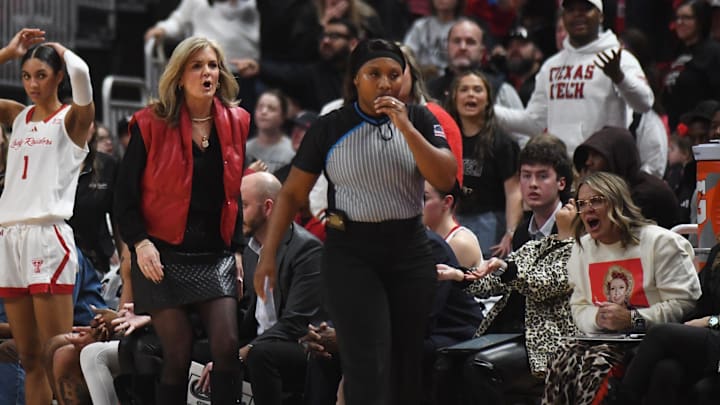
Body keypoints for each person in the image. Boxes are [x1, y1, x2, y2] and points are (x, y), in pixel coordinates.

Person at [253, 38, 456, 405]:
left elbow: (444, 178)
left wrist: (407, 129)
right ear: (356, 79)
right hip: (351, 254)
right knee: (367, 359)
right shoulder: (330, 127)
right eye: (374, 74)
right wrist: (268, 255)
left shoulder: (422, 118)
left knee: (406, 362)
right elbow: (292, 194)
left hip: (409, 250)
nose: (385, 83)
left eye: (394, 74)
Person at [114, 36, 250, 405]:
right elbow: (123, 196)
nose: (207, 72)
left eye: (212, 65)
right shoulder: (150, 123)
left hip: (214, 254)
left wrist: (236, 251)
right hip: (160, 255)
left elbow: (232, 193)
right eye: (197, 66)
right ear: (178, 76)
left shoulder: (237, 121)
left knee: (226, 346)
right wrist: (140, 243)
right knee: (176, 352)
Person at [542, 172, 702, 405]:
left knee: (595, 365)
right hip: (602, 338)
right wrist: (598, 317)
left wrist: (632, 319)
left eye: (596, 201)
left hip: (651, 342)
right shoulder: (582, 248)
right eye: (582, 204)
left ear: (618, 204)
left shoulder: (661, 243)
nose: (588, 210)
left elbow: (685, 303)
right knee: (562, 357)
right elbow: (578, 305)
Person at [0, 28, 95, 405]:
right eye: (26, 76)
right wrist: (9, 52)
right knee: (29, 358)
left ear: (58, 77)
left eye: (41, 75)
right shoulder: (17, 116)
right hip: (9, 239)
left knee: (58, 355)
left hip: (47, 235)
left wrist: (65, 52)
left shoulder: (72, 120)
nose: (32, 84)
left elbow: (85, 81)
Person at [200, 171, 324, 405]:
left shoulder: (307, 250)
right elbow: (247, 310)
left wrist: (241, 352)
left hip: (300, 345)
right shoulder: (248, 249)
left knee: (259, 355)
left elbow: (295, 324)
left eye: (244, 205)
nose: (237, 213)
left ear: (268, 207)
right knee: (197, 348)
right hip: (258, 338)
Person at [494, 0, 654, 156]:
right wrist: (488, 111)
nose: (578, 15)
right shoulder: (551, 65)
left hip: (603, 171)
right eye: (571, 10)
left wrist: (619, 78)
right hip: (561, 170)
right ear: (563, 17)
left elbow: (645, 103)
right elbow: (533, 123)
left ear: (600, 16)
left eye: (585, 8)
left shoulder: (619, 57)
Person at [603, 242, 720, 405]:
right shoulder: (717, 252)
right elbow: (700, 303)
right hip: (707, 341)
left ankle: (619, 400)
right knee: (666, 370)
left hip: (715, 335)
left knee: (660, 334)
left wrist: (711, 321)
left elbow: (706, 318)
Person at [445, 70, 522, 258]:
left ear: (488, 99)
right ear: (454, 97)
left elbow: (513, 192)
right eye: (464, 89)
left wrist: (510, 233)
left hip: (489, 221)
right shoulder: (445, 138)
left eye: (477, 90)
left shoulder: (502, 142)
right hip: (452, 217)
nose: (471, 94)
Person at [144, 0, 261, 113]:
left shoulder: (258, 5)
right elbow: (178, 20)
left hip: (243, 74)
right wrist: (163, 29)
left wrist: (258, 64)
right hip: (202, 68)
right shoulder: (196, 2)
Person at [572, 126, 679, 228]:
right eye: (588, 155)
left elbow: (614, 234)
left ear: (618, 158)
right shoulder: (625, 189)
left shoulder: (646, 194)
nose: (588, 162)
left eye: (596, 155)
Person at [662, 0, 720, 129]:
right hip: (676, 131)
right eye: (677, 18)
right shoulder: (678, 52)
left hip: (702, 132)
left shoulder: (713, 52)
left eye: (686, 18)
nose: (679, 22)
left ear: (700, 21)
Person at [512, 133, 573, 250]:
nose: (533, 184)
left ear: (561, 183)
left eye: (543, 176)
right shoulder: (520, 234)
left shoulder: (575, 224)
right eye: (526, 175)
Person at [403, 0, 465, 80]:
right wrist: (421, 70)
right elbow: (407, 55)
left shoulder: (466, 27)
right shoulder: (420, 26)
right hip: (424, 79)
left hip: (457, 78)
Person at [246, 89, 296, 173]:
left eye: (271, 109)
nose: (264, 112)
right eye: (260, 107)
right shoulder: (246, 149)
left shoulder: (291, 151)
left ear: (283, 116)